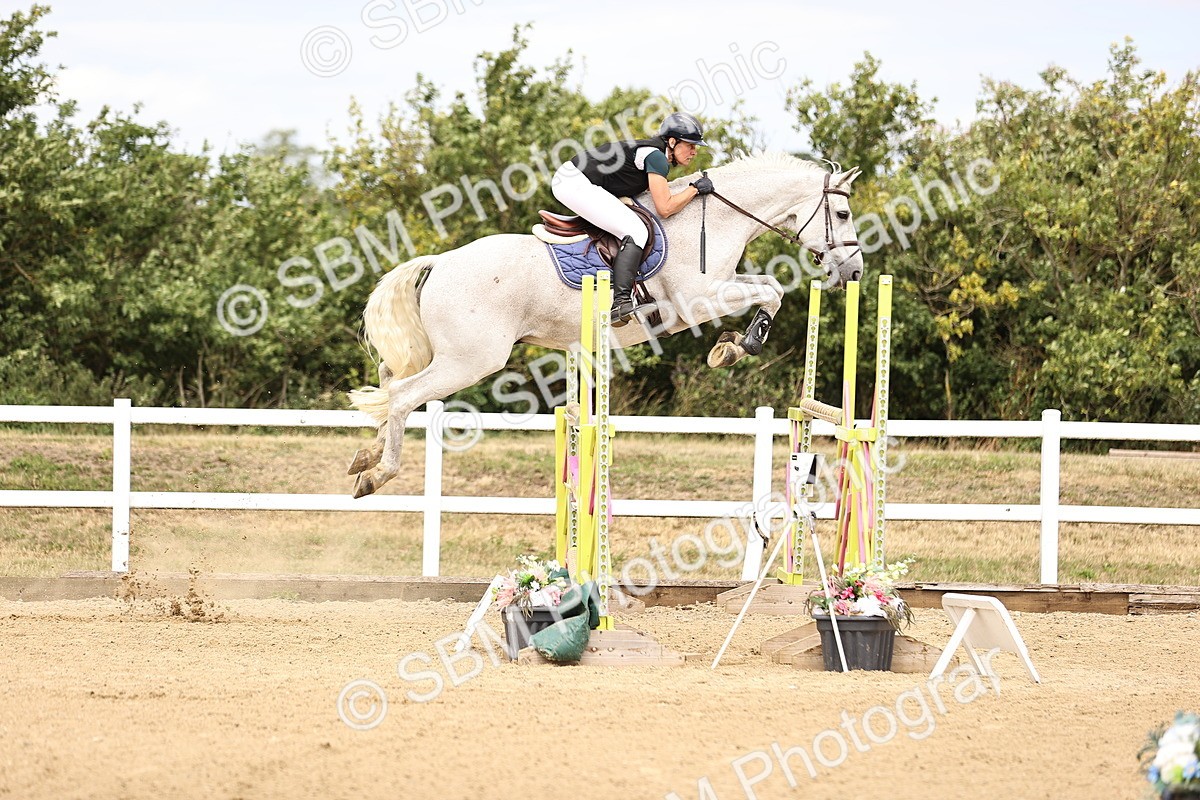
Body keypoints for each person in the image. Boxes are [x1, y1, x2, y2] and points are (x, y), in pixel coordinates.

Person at [552, 111, 715, 326]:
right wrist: (694, 190)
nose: (694, 151)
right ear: (673, 141)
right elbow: (665, 208)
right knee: (636, 231)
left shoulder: (653, 153)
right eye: (690, 145)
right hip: (575, 183)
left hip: (577, 180)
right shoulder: (656, 157)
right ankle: (620, 303)